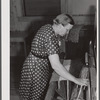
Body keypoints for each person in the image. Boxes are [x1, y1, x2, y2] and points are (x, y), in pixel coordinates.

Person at [19, 14, 89, 100]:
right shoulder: (50, 37)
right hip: (36, 68)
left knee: (31, 94)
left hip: (33, 63)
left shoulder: (48, 27)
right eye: (67, 30)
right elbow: (56, 65)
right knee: (34, 95)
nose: (67, 33)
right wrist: (75, 80)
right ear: (60, 26)